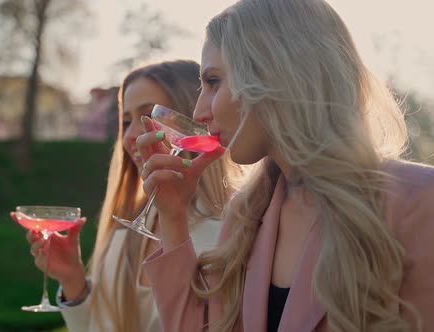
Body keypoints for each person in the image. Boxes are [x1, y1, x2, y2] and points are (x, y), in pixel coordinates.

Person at [137, 1, 434, 331]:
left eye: (214, 81)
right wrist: (174, 215)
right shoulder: (246, 216)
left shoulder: (420, 201)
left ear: (278, 75)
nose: (199, 111)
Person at [20, 60, 240, 332]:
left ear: (193, 121)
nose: (131, 135)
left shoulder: (230, 234)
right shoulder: (124, 230)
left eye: (148, 117)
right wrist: (73, 282)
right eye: (126, 121)